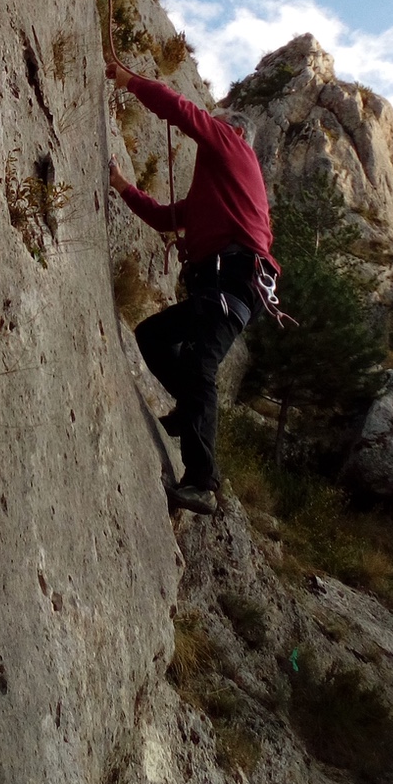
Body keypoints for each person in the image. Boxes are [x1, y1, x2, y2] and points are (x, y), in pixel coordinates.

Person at [105, 62, 276, 515]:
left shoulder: (235, 149)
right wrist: (123, 186)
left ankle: (202, 481)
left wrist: (130, 82)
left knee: (201, 367)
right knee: (153, 336)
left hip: (233, 281)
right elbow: (165, 219)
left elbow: (184, 114)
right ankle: (188, 413)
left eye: (217, 123)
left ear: (232, 130)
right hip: (227, 286)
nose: (211, 129)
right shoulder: (216, 193)